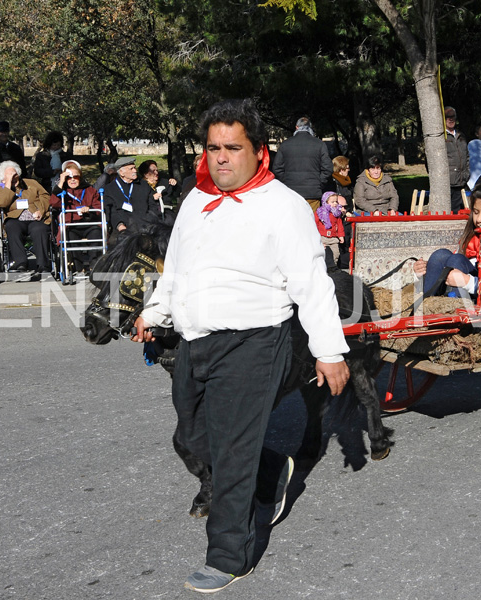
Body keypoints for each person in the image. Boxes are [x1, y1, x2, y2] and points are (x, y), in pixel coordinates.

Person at [130, 98, 349, 594]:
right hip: (196, 339)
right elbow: (178, 269)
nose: (221, 158)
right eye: (213, 148)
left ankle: (229, 555)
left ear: (259, 152)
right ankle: (271, 467)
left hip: (254, 341)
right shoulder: (194, 201)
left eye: (233, 148)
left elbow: (311, 283)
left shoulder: (284, 206)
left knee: (230, 452)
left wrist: (329, 351)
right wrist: (155, 310)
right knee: (192, 437)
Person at [413, 176, 481, 298]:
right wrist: (423, 273)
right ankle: (425, 301)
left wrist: (468, 282)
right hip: (460, 281)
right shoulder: (472, 235)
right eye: (476, 212)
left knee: (457, 260)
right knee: (440, 255)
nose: (479, 219)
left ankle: (453, 308)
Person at [0, 160, 52, 278]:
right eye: (9, 175)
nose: (14, 177)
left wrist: (41, 211)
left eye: (15, 174)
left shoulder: (31, 183)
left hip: (35, 217)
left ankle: (43, 265)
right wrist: (8, 185)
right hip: (15, 218)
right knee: (11, 227)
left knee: (39, 229)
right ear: (2, 178)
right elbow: (1, 203)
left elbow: (46, 197)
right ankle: (21, 262)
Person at [50, 160, 103, 274]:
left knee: (97, 234)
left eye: (76, 176)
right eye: (69, 177)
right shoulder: (62, 191)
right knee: (70, 236)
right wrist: (61, 182)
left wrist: (89, 209)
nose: (72, 179)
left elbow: (98, 207)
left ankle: (94, 266)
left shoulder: (89, 190)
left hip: (89, 223)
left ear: (80, 177)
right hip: (71, 224)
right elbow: (54, 203)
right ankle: (79, 267)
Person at [270, 116, 333, 210]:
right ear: (310, 128)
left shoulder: (285, 144)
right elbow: (328, 168)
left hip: (291, 192)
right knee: (311, 222)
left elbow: (277, 168)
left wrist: (287, 182)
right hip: (312, 192)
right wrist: (319, 183)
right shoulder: (319, 144)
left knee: (293, 222)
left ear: (296, 127)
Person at [102, 156, 160, 233]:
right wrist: (120, 225)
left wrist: (150, 221)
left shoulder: (143, 185)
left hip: (145, 225)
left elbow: (152, 205)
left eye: (135, 168)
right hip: (123, 228)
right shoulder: (110, 189)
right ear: (122, 173)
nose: (135, 171)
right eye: (131, 169)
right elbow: (111, 211)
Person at [444, 106, 470, 211]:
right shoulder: (441, 137)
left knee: (462, 212)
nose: (451, 119)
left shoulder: (461, 135)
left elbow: (467, 156)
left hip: (462, 181)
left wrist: (467, 173)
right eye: (448, 117)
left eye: (453, 117)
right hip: (448, 183)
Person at [315, 191, 346, 264]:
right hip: (322, 237)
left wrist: (341, 235)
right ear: (326, 202)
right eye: (332, 202)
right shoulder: (320, 212)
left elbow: (339, 224)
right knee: (321, 253)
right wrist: (316, 236)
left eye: (336, 201)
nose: (335, 203)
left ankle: (333, 265)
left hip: (333, 237)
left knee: (336, 253)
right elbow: (315, 224)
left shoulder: (336, 213)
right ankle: (321, 266)